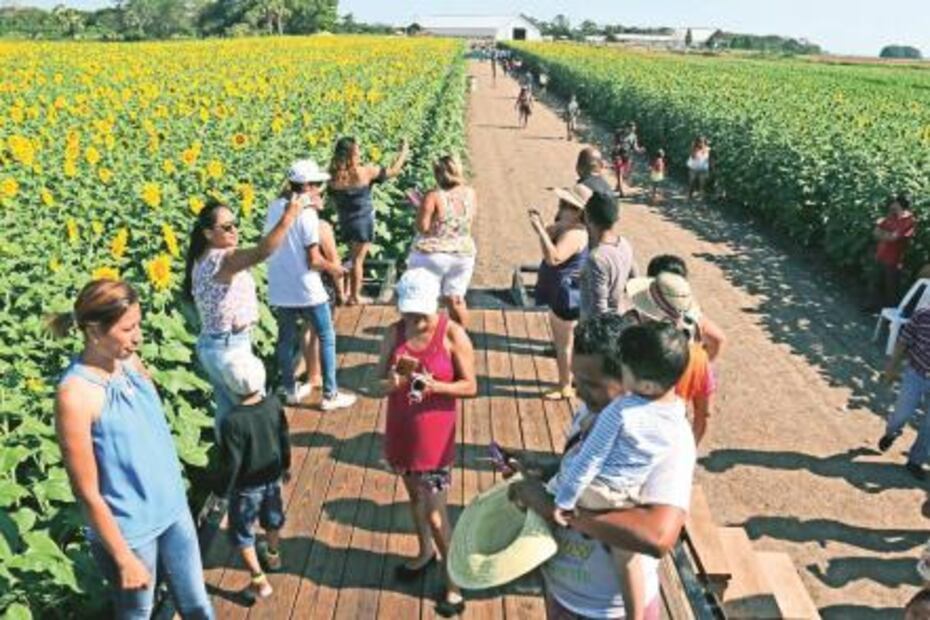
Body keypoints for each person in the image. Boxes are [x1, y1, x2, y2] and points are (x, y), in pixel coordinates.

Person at [506, 313, 697, 620]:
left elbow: (658, 537)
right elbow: (589, 468)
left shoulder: (671, 438)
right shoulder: (590, 410)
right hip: (565, 596)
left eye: (591, 384)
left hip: (612, 612)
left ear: (628, 379)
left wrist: (556, 509)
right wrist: (545, 467)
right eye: (576, 379)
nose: (578, 392)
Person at [52, 280, 214, 619]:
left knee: (198, 604)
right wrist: (123, 557)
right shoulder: (75, 395)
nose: (137, 336)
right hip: (131, 533)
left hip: (174, 512)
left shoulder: (129, 361)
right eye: (128, 329)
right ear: (95, 331)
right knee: (136, 614)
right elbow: (87, 492)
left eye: (137, 324)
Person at [375, 269, 477, 618]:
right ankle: (424, 553)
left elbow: (471, 386)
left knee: (436, 515)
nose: (415, 320)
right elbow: (376, 384)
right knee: (414, 498)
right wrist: (392, 381)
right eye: (409, 312)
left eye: (421, 313)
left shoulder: (452, 333)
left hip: (435, 440)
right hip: (402, 432)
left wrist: (435, 387)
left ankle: (453, 582)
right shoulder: (394, 333)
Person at [184, 196, 302, 438]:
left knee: (227, 413)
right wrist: (289, 216)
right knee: (255, 416)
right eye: (226, 227)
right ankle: (261, 471)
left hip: (211, 345)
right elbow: (263, 251)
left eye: (234, 224)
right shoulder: (224, 258)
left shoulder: (201, 257)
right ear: (208, 233)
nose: (234, 230)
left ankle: (230, 464)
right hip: (231, 349)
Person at [265, 159, 356, 411]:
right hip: (306, 287)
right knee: (326, 336)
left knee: (285, 339)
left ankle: (290, 389)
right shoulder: (307, 215)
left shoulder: (274, 207)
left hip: (280, 284)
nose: (320, 189)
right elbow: (313, 260)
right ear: (305, 186)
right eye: (316, 184)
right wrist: (336, 268)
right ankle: (330, 394)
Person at [215, 351, 289, 603]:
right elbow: (283, 438)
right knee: (272, 519)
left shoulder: (231, 421)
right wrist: (285, 465)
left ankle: (259, 581)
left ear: (230, 386)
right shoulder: (274, 404)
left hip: (246, 487)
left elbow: (231, 463)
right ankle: (273, 555)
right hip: (272, 478)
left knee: (241, 531)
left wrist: (221, 491)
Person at [626, 272, 717, 444]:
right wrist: (690, 450)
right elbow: (705, 413)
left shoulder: (635, 349)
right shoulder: (699, 358)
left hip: (633, 437)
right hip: (671, 436)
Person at [329, 136, 410, 306]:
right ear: (352, 154)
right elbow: (393, 171)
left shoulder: (333, 175)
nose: (360, 153)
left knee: (351, 257)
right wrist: (403, 152)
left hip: (345, 222)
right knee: (358, 261)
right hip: (363, 222)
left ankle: (345, 291)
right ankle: (354, 297)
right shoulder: (364, 172)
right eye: (357, 150)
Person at [530, 184, 592, 400]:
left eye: (566, 205)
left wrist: (540, 230)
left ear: (578, 212)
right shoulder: (569, 227)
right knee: (566, 342)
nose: (561, 207)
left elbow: (553, 258)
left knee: (563, 344)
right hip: (564, 291)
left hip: (566, 295)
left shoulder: (576, 234)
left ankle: (565, 385)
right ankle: (571, 379)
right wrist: (549, 230)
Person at [407, 155, 478, 326]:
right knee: (456, 299)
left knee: (422, 298)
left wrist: (419, 207)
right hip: (463, 254)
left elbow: (422, 228)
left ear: (438, 174)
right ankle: (461, 338)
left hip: (432, 254)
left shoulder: (433, 196)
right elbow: (466, 224)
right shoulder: (471, 193)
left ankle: (424, 338)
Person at [879, 306, 930, 480]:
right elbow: (903, 343)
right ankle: (891, 432)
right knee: (903, 412)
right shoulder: (922, 315)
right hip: (916, 372)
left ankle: (916, 460)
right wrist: (891, 368)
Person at [645, 254, 726, 362]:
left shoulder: (644, 308)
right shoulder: (691, 311)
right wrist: (703, 365)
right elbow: (718, 339)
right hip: (683, 369)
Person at [579, 191, 636, 320]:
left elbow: (598, 309)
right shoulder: (624, 244)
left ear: (587, 217)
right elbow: (634, 278)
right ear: (616, 218)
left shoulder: (597, 258)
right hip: (618, 317)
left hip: (598, 330)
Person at [872, 193, 916, 311]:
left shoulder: (910, 221)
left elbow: (894, 238)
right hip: (881, 255)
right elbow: (876, 232)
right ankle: (874, 307)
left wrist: (885, 234)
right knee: (876, 283)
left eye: (894, 202)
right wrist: (887, 235)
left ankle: (891, 316)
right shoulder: (892, 215)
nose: (892, 204)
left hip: (894, 260)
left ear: (898, 204)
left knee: (891, 289)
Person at [687, 136, 711, 201]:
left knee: (702, 184)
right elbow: (693, 157)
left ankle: (701, 197)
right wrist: (695, 150)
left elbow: (710, 160)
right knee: (691, 182)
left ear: (704, 142)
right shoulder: (694, 149)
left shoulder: (708, 149)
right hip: (694, 168)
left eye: (702, 142)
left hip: (703, 169)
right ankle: (689, 195)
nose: (701, 143)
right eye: (699, 142)